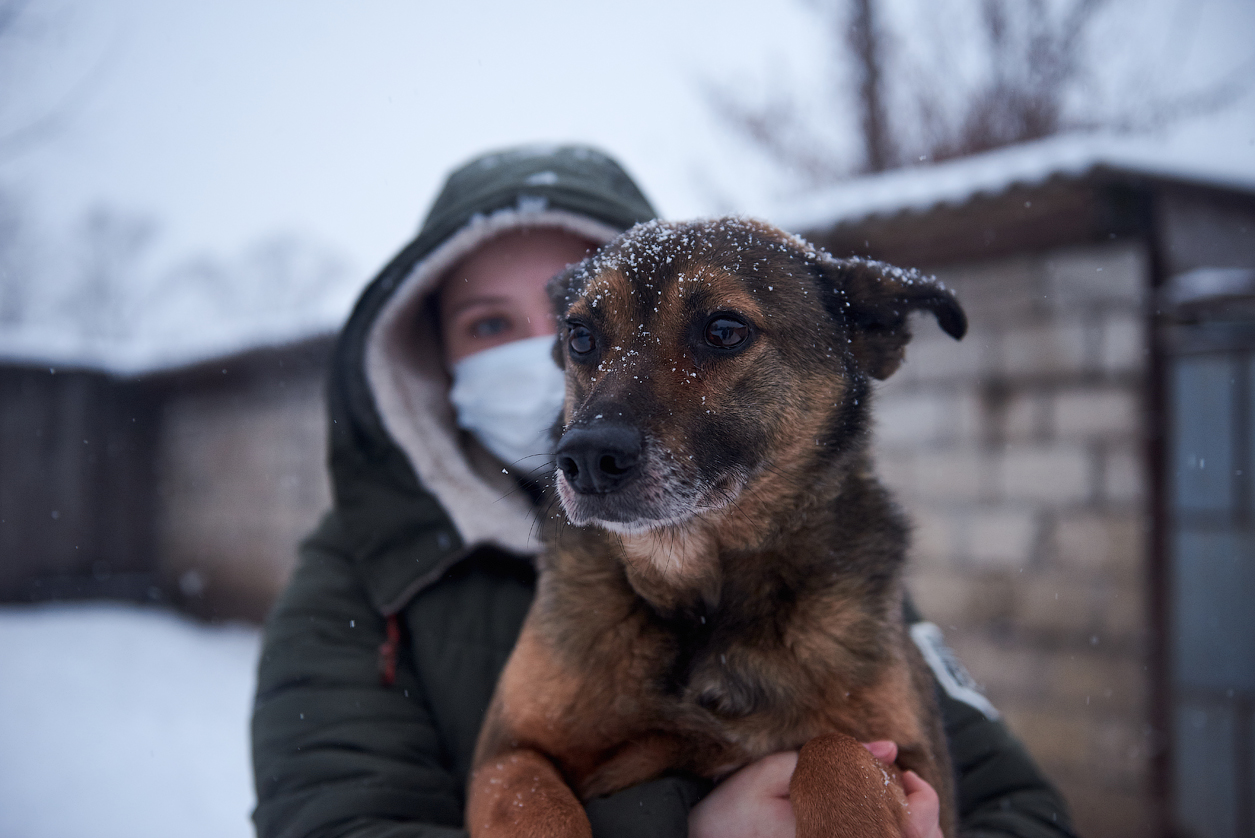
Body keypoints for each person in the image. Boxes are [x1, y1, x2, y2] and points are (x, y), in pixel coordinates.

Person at [250, 145, 1076, 838]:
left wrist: (864, 799)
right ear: (430, 349)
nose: (605, 398)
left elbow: (1016, 808)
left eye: (718, 333)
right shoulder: (355, 579)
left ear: (858, 345)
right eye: (584, 335)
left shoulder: (849, 573)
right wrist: (689, 825)